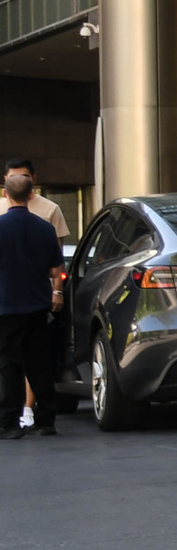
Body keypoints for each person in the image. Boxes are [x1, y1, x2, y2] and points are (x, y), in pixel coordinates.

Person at [0, 170, 63, 439]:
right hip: (38, 304)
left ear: (5, 194)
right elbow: (55, 268)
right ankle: (46, 419)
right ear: (30, 194)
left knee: (8, 363)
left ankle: (10, 423)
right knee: (39, 363)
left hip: (6, 305)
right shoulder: (45, 228)